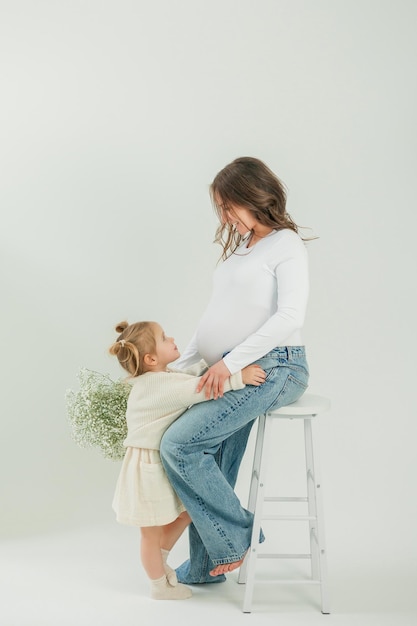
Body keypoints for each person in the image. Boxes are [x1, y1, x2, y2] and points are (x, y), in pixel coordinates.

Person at [160, 156, 311, 584]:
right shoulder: (242, 250)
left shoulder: (285, 244)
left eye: (229, 206)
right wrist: (181, 365)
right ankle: (208, 566)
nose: (225, 217)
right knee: (209, 454)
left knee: (180, 446)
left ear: (254, 197)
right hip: (231, 366)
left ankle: (237, 538)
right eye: (221, 209)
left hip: (276, 365)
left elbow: (289, 316)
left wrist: (229, 362)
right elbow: (216, 315)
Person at [109, 319, 266, 600]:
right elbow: (199, 389)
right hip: (147, 468)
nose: (172, 339)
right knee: (150, 532)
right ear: (151, 358)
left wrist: (216, 366)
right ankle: (158, 585)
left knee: (185, 510)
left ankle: (160, 562)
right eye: (164, 337)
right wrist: (238, 378)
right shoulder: (155, 386)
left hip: (157, 464)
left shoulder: (162, 377)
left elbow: (188, 377)